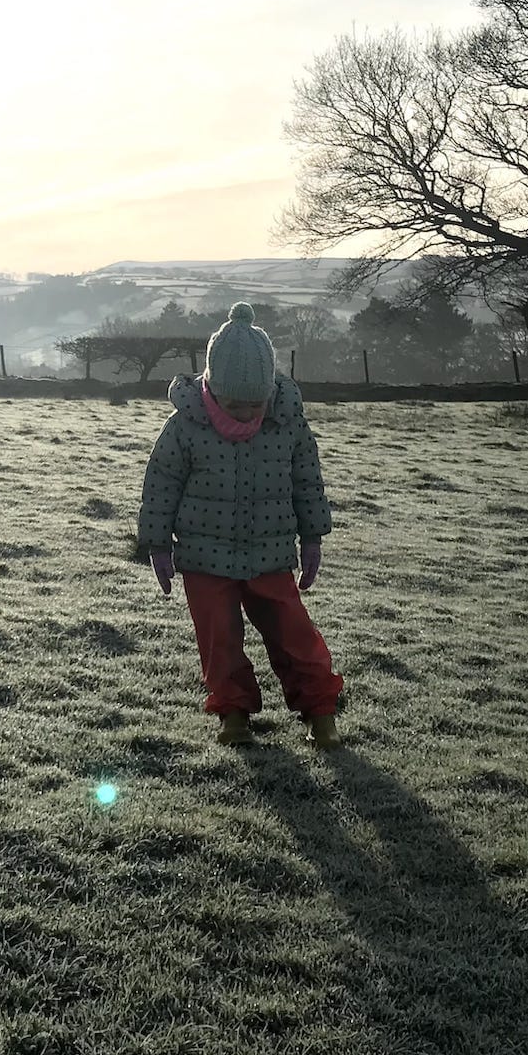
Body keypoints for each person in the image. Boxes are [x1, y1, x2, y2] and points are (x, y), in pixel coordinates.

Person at [138, 303, 345, 747]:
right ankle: (233, 714)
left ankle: (320, 711)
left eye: (256, 403)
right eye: (235, 404)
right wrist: (157, 546)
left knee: (295, 637)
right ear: (211, 388)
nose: (247, 413)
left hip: (270, 556)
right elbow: (160, 486)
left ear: (270, 391)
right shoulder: (184, 427)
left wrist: (313, 539)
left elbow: (308, 482)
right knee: (220, 641)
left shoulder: (288, 423)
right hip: (203, 559)